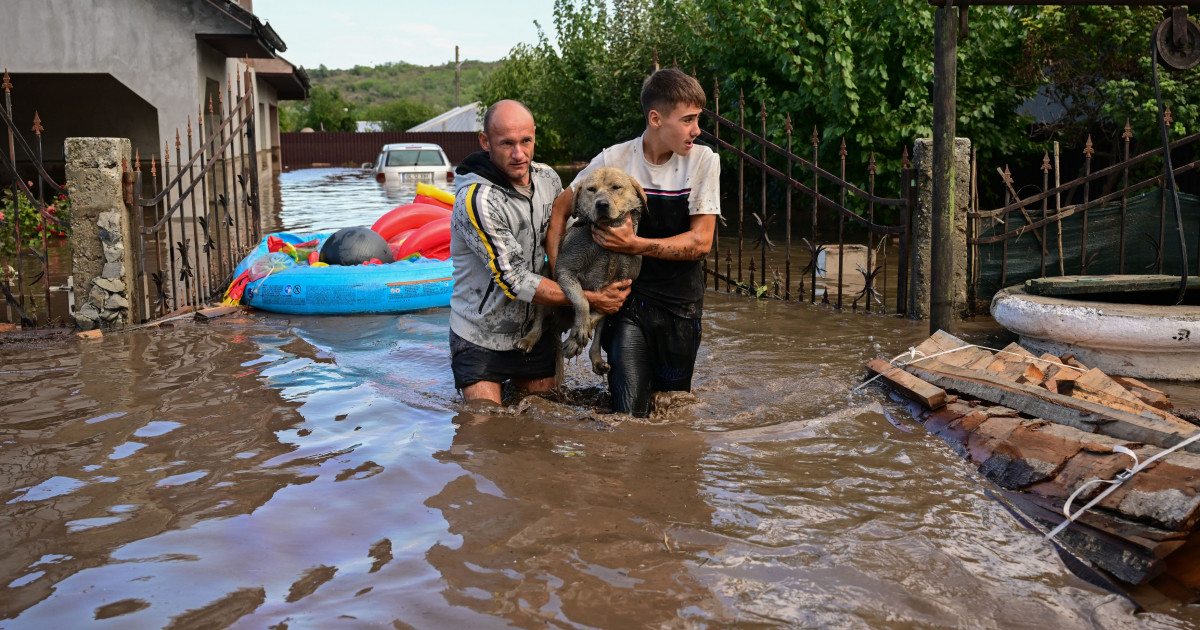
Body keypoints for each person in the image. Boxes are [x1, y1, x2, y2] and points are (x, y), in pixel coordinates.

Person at [547, 69, 720, 417]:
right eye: (688, 120)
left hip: (681, 307)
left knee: (671, 411)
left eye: (697, 119)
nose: (697, 130)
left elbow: (701, 243)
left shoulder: (704, 160)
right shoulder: (614, 160)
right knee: (627, 415)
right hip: (627, 303)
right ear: (656, 118)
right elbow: (559, 212)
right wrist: (563, 285)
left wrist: (633, 244)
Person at [449, 99, 631, 405]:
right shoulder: (477, 200)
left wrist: (624, 239)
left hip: (538, 328)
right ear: (485, 142)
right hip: (480, 336)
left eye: (525, 141)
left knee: (542, 425)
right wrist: (592, 299)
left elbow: (572, 233)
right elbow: (515, 281)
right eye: (507, 143)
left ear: (535, 135)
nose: (519, 154)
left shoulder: (548, 178)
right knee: (481, 430)